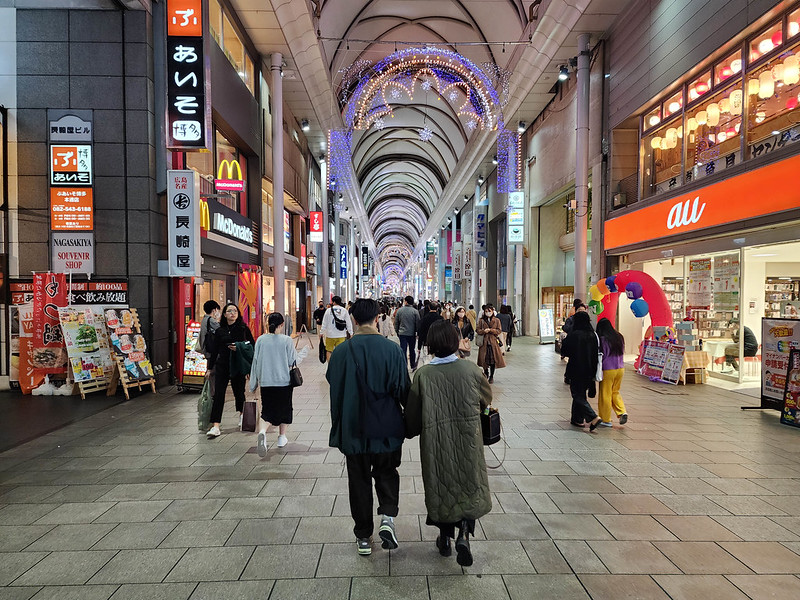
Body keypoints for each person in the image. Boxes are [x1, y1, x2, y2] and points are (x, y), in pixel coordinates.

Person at [327, 299, 411, 556]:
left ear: (353, 319)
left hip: (353, 429)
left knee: (359, 481)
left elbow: (335, 391)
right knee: (387, 472)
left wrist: (338, 426)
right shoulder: (392, 350)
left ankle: (364, 536)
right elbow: (403, 391)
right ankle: (387, 517)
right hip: (387, 428)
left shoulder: (341, 352)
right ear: (377, 318)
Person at [405, 320, 492, 567]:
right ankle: (464, 533)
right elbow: (486, 398)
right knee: (468, 483)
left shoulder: (423, 375)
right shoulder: (471, 370)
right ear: (455, 342)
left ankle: (444, 539)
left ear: (430, 345)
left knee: (441, 485)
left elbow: (412, 417)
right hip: (468, 440)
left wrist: (409, 430)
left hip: (436, 442)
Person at [249, 312, 308, 456]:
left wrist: (253, 384)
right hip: (283, 382)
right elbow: (292, 361)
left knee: (267, 411)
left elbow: (255, 362)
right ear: (282, 324)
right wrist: (304, 352)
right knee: (285, 409)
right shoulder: (286, 340)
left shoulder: (261, 340)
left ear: (267, 324)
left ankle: (262, 432)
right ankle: (281, 437)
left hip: (266, 382)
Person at [206, 303, 255, 438]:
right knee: (218, 394)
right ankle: (216, 425)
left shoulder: (243, 328)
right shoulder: (220, 330)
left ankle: (242, 415)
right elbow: (215, 350)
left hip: (238, 364)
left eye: (235, 311)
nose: (232, 313)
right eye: (229, 311)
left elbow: (252, 345)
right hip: (222, 365)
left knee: (239, 392)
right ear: (224, 314)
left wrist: (239, 347)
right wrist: (210, 368)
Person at [560, 311, 601, 431]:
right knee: (581, 393)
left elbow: (564, 351)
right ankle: (577, 419)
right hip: (590, 370)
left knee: (577, 394)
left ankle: (593, 416)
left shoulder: (574, 335)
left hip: (576, 369)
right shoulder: (593, 335)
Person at [596, 318, 628, 427]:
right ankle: (622, 411)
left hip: (608, 369)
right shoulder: (619, 337)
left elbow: (601, 355)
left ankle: (606, 419)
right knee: (615, 391)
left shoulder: (603, 340)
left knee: (605, 393)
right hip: (620, 368)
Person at [476, 304, 505, 383]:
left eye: (489, 311)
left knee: (493, 360)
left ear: (492, 311)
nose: (488, 313)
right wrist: (483, 331)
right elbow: (477, 330)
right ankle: (486, 373)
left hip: (493, 343)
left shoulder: (497, 320)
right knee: (484, 360)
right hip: (484, 343)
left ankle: (491, 376)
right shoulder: (481, 320)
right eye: (486, 311)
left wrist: (491, 330)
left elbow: (499, 330)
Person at [321, 296, 353, 360]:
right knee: (340, 351)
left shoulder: (328, 310)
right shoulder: (344, 310)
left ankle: (330, 364)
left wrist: (321, 332)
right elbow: (348, 323)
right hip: (341, 335)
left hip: (330, 335)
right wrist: (351, 333)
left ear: (333, 302)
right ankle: (339, 364)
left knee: (329, 351)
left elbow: (324, 322)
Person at [562, 301, 587, 384]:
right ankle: (568, 376)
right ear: (576, 311)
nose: (581, 312)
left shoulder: (586, 320)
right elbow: (566, 328)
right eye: (580, 310)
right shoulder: (571, 319)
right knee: (572, 361)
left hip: (583, 344)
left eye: (583, 310)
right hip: (574, 343)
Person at [394, 295, 421, 369]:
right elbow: (417, 323)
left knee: (403, 350)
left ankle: (404, 365)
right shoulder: (415, 312)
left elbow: (396, 322)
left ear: (406, 302)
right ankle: (413, 365)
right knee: (412, 350)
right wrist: (417, 332)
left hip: (402, 333)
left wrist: (397, 331)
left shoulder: (400, 311)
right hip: (412, 334)